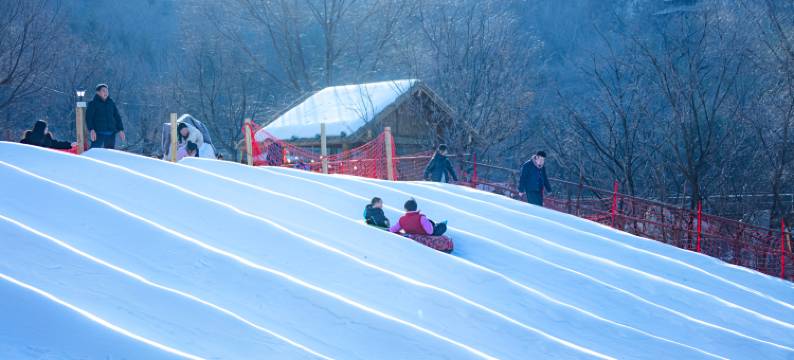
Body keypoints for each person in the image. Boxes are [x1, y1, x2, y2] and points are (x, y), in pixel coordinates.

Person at [86, 84, 125, 149]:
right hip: (99, 133)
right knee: (94, 151)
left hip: (111, 133)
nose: (106, 93)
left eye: (107, 91)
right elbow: (89, 118)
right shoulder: (93, 103)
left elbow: (117, 116)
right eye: (103, 91)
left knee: (109, 153)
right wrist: (91, 129)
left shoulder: (111, 103)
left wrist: (121, 129)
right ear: (98, 92)